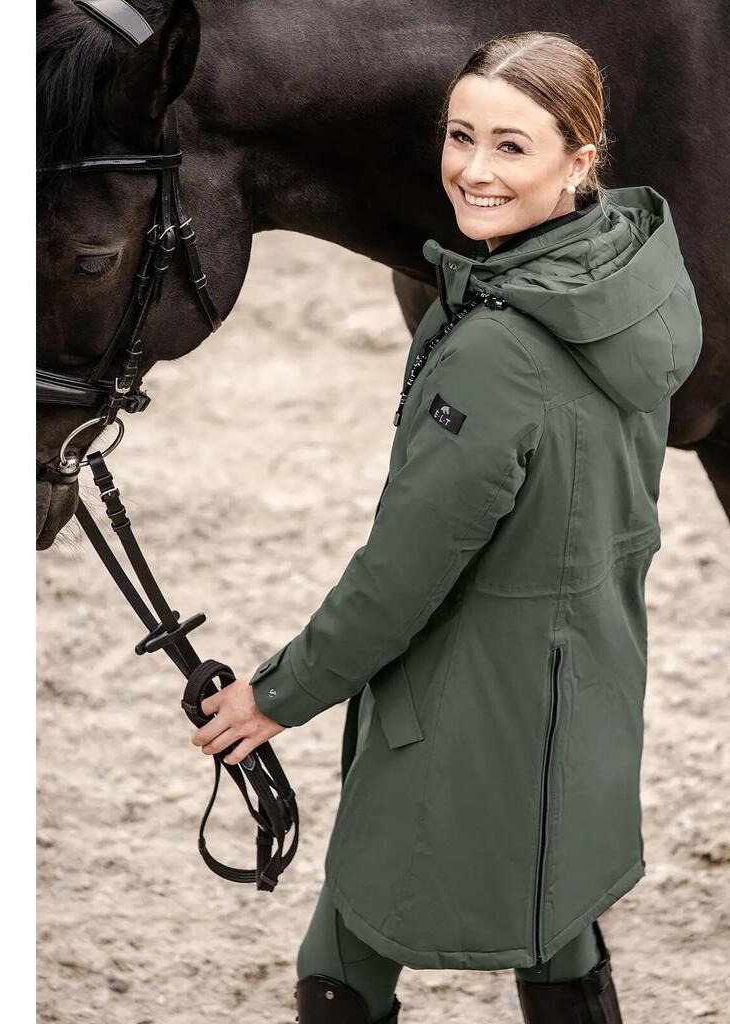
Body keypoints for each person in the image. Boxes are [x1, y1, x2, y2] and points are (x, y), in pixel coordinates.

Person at [191, 30, 702, 1024]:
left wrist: (278, 695)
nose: (473, 169)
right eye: (461, 136)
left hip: (463, 706)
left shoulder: (497, 353)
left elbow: (403, 571)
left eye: (511, 146)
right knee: (555, 914)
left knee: (344, 949)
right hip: (586, 692)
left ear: (579, 161)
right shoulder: (633, 283)